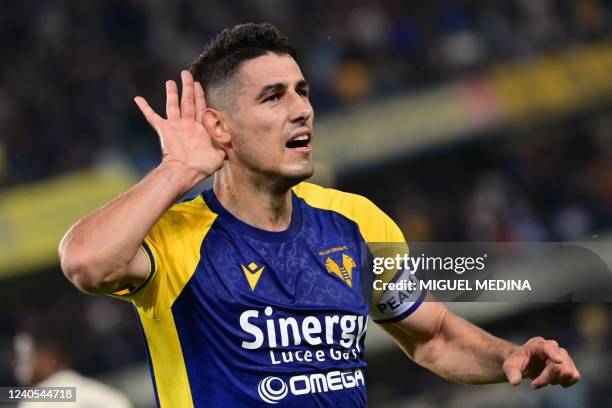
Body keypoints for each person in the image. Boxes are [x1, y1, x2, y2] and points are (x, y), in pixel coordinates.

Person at [59, 23, 580, 407]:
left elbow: (434, 336)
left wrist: (509, 356)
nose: (301, 108)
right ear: (219, 127)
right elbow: (86, 262)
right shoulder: (176, 237)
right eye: (272, 97)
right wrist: (176, 170)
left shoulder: (355, 221)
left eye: (302, 92)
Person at [13, 326, 132, 408]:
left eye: (24, 357)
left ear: (48, 356)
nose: (18, 364)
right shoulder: (94, 390)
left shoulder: (37, 399)